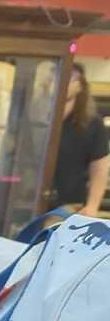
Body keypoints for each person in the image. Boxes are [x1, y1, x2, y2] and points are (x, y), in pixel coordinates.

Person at [53, 59, 109, 215]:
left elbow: (99, 169)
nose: (62, 82)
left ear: (80, 86)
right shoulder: (39, 118)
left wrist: (92, 206)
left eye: (70, 78)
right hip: (31, 202)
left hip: (71, 205)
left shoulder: (92, 124)